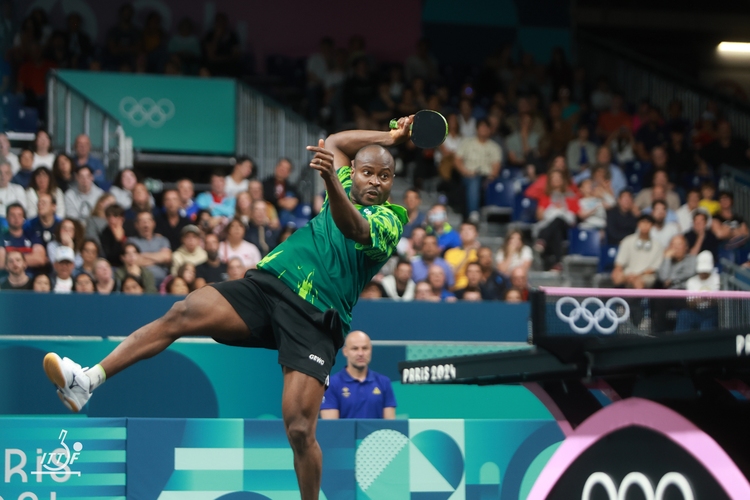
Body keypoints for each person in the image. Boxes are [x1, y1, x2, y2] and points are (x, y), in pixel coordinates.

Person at [42, 118, 412, 500]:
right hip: (269, 285)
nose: (375, 182)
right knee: (181, 313)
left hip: (316, 317)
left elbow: (351, 227)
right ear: (356, 172)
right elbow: (336, 140)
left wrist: (333, 181)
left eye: (385, 177)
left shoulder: (389, 220)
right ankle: (87, 381)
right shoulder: (348, 182)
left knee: (300, 429)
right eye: (367, 172)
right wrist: (392, 137)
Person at [320, 330, 396, 419]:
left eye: (365, 348)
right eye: (355, 349)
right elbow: (331, 428)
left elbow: (390, 427)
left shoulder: (384, 382)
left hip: (376, 433)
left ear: (370, 350)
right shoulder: (331, 384)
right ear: (345, 351)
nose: (360, 353)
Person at [455, 118, 502, 221]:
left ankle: (474, 214)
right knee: (474, 181)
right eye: (481, 127)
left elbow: (496, 166)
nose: (483, 129)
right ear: (476, 129)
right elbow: (457, 160)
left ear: (490, 130)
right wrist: (465, 171)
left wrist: (491, 178)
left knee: (479, 181)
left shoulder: (494, 147)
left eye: (486, 127)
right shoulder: (467, 143)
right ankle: (473, 214)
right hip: (467, 175)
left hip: (486, 177)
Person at [534, 170, 580, 270]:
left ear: (563, 180)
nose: (556, 180)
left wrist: (561, 210)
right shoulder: (545, 196)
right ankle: (558, 263)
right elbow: (540, 216)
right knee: (556, 231)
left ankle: (542, 239)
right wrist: (552, 209)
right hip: (552, 227)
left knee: (558, 219)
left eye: (558, 177)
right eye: (553, 178)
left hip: (566, 226)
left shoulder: (571, 196)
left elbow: (575, 216)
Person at [611, 214, 664, 289]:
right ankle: (616, 300)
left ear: (652, 226)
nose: (645, 225)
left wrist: (636, 275)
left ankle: (638, 301)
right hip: (628, 273)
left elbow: (653, 269)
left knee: (638, 282)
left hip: (646, 275)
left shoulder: (658, 245)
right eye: (643, 222)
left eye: (648, 223)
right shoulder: (628, 240)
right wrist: (618, 271)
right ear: (638, 224)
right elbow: (619, 263)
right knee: (616, 276)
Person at [676, 251, 719, 332]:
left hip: (713, 312)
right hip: (698, 311)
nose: (703, 273)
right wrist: (699, 298)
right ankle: (679, 343)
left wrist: (711, 299)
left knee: (707, 325)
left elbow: (721, 302)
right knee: (684, 314)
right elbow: (690, 304)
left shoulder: (718, 279)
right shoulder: (691, 281)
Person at [127, 211, 172, 285]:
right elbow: (134, 261)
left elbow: (167, 257)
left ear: (153, 223)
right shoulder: (131, 241)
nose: (146, 224)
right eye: (142, 221)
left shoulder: (162, 240)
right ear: (136, 225)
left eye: (148, 220)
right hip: (141, 282)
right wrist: (159, 258)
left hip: (163, 282)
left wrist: (142, 255)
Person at [2, 203, 46, 270]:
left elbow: (40, 259)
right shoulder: (1, 236)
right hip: (7, 277)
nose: (16, 218)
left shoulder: (33, 236)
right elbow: (1, 262)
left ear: (24, 218)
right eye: (12, 215)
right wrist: (29, 258)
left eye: (19, 215)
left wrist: (10, 260)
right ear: (7, 218)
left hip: (30, 277)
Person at [263, 158, 300, 226]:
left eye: (286, 168)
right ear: (276, 167)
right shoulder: (265, 184)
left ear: (289, 173)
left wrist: (295, 201)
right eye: (281, 166)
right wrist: (279, 202)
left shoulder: (291, 187)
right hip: (268, 216)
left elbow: (299, 197)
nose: (282, 169)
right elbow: (266, 196)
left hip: (285, 217)